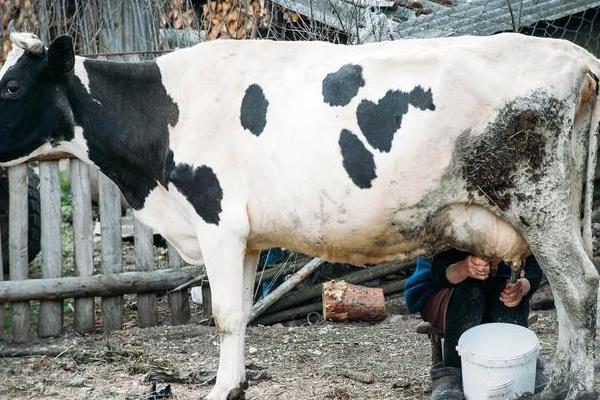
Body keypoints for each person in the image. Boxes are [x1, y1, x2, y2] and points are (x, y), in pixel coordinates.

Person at [404, 250, 543, 400]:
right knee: (470, 292)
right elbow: (438, 271)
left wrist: (523, 287)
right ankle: (450, 374)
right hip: (446, 289)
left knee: (507, 292)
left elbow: (533, 259)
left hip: (498, 287)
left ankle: (526, 369)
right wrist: (464, 268)